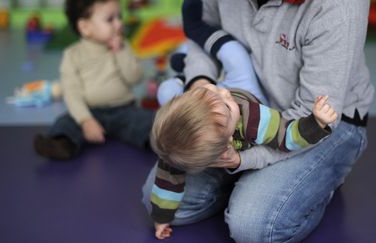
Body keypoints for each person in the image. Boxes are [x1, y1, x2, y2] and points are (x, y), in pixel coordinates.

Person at [142, 0, 374, 242]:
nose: (223, 93)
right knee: (158, 201)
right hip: (237, 116)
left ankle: (317, 180)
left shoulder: (339, 7)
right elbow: (204, 31)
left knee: (253, 227)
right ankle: (248, 181)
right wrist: (200, 84)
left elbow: (294, 133)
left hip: (314, 121)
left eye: (224, 99)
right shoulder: (226, 104)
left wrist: (244, 159)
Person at [149, 83, 337, 239]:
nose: (224, 92)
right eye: (227, 106)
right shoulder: (175, 149)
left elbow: (288, 136)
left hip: (257, 129)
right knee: (159, 205)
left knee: (253, 229)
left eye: (214, 92)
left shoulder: (251, 117)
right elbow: (166, 183)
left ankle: (323, 187)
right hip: (220, 148)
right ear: (225, 145)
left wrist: (315, 122)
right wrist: (161, 218)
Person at [34, 0, 155, 160]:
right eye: (110, 19)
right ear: (85, 27)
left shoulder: (124, 46)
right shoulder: (72, 55)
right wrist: (85, 120)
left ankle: (158, 140)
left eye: (119, 16)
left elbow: (135, 78)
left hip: (124, 110)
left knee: (147, 121)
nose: (119, 24)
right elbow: (71, 93)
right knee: (66, 123)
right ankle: (61, 144)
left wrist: (119, 52)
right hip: (90, 111)